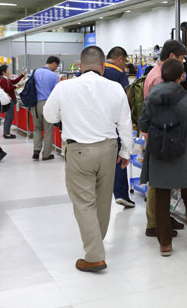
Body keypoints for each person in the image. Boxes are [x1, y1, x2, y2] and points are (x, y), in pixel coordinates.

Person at [43, 46, 133, 272]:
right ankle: (97, 243)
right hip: (109, 149)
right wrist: (126, 151)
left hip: (79, 150)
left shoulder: (64, 86)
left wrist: (67, 115)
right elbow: (125, 122)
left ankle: (94, 256)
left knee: (84, 203)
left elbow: (49, 115)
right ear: (103, 66)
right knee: (103, 200)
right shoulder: (115, 87)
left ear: (80, 66)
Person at [138, 59, 187, 256]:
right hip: (182, 152)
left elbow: (143, 124)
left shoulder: (151, 96)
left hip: (158, 152)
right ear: (181, 76)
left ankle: (165, 244)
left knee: (161, 197)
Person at [142, 39, 187, 238]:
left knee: (162, 179)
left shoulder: (155, 72)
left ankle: (163, 217)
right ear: (171, 57)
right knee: (157, 181)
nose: (182, 64)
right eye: (181, 59)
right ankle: (154, 223)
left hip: (158, 134)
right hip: (161, 136)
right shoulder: (161, 78)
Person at [104, 46, 136, 209]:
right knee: (118, 157)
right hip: (114, 121)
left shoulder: (96, 70)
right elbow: (126, 98)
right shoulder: (119, 73)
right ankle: (121, 194)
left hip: (93, 124)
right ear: (120, 59)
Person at [31, 56, 60, 161]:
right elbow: (56, 92)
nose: (56, 68)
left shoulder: (35, 72)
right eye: (57, 66)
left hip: (35, 105)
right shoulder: (53, 76)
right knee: (48, 130)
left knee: (37, 128)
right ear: (53, 63)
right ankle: (46, 154)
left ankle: (36, 151)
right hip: (47, 104)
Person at [0, 65, 26, 139]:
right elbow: (6, 89)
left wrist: (22, 75)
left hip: (10, 100)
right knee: (9, 117)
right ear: (4, 72)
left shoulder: (6, 79)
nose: (9, 71)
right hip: (9, 100)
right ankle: (7, 133)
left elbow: (15, 81)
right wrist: (16, 87)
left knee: (9, 117)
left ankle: (6, 132)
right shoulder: (3, 80)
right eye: (7, 70)